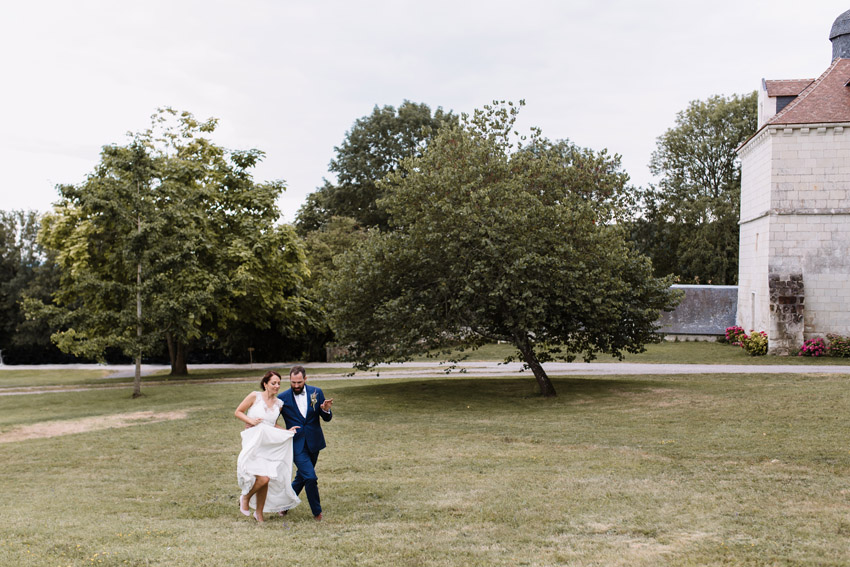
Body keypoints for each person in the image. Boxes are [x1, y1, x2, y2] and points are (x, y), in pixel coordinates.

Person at [234, 371, 301, 522]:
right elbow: (238, 412)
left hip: (268, 444)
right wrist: (250, 420)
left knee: (267, 478)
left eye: (278, 383)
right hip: (254, 440)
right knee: (262, 478)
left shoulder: (279, 404)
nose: (277, 386)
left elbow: (272, 424)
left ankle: (259, 513)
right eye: (273, 383)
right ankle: (245, 497)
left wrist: (287, 432)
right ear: (265, 384)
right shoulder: (254, 396)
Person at [278, 365, 334, 520]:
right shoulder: (282, 398)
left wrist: (326, 410)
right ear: (289, 380)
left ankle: (284, 505)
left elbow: (327, 418)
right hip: (296, 444)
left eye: (299, 382)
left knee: (301, 477)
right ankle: (317, 513)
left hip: (314, 442)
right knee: (310, 477)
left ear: (305, 379)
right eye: (293, 382)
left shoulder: (316, 392)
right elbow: (271, 418)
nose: (296, 386)